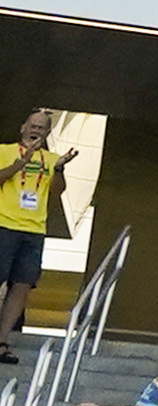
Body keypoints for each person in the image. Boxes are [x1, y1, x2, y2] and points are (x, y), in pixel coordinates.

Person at [0, 105, 79, 363]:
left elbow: (57, 191)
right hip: (4, 224)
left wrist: (59, 169)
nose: (36, 129)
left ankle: (3, 340)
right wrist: (21, 162)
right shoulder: (5, 150)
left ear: (47, 132)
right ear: (23, 127)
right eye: (32, 125)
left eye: (41, 127)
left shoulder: (51, 158)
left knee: (22, 285)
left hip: (34, 230)